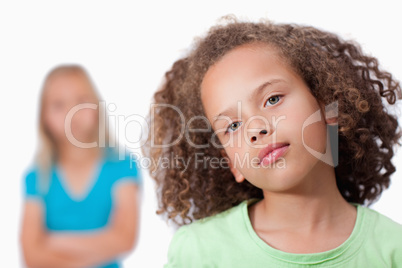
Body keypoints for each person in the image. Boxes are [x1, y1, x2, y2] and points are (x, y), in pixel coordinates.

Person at [143, 17, 402, 267]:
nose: (256, 128)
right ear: (233, 163)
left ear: (328, 108)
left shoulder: (392, 249)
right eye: (233, 126)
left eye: (273, 99)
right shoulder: (198, 253)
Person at [20, 65, 141, 268]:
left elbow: (125, 239)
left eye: (81, 101)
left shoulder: (122, 166)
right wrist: (101, 245)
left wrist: (52, 241)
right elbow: (31, 255)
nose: (71, 113)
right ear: (44, 117)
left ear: (97, 108)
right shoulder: (36, 177)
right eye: (59, 104)